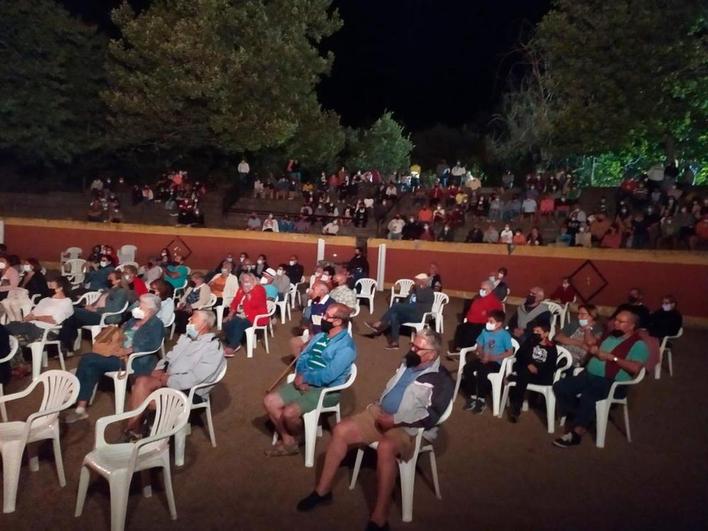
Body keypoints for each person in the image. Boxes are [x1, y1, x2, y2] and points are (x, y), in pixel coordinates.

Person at [296, 328, 453, 531]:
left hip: (408, 426)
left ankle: (380, 517)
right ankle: (322, 491)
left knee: (386, 448)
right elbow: (395, 388)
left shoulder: (442, 379)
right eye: (412, 344)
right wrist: (380, 407)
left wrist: (395, 419)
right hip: (379, 413)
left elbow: (432, 416)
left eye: (417, 347)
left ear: (432, 354)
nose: (411, 349)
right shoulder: (408, 360)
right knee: (340, 430)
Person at [264, 303, 356, 456]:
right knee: (269, 401)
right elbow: (303, 357)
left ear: (339, 322)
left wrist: (306, 378)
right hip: (304, 381)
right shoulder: (320, 336)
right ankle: (289, 441)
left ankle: (300, 435)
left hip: (325, 390)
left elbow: (329, 374)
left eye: (327, 316)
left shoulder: (346, 347)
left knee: (289, 414)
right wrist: (301, 375)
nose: (323, 318)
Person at [552, 310, 649, 448]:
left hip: (610, 381)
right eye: (616, 320)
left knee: (588, 397)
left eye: (621, 322)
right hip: (588, 375)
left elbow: (635, 368)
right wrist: (592, 344)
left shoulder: (638, 344)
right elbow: (592, 343)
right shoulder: (610, 336)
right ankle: (582, 415)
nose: (616, 323)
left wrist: (612, 358)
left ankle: (576, 433)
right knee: (560, 386)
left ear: (632, 326)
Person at [123, 310, 226, 439]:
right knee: (141, 382)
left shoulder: (213, 347)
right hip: (167, 378)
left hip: (190, 391)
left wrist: (169, 380)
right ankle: (135, 429)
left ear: (204, 324)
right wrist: (160, 369)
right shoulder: (187, 338)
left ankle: (140, 432)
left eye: (193, 318)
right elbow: (168, 357)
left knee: (147, 399)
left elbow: (197, 377)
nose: (189, 320)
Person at [65, 293, 165, 423]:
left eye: (141, 304)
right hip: (117, 352)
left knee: (88, 359)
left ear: (151, 309)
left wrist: (128, 350)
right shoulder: (134, 320)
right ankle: (80, 407)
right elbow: (121, 331)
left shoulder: (156, 324)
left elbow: (153, 345)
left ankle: (77, 399)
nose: (137, 306)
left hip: (134, 361)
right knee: (90, 364)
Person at [4, 276, 74, 375]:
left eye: (52, 283)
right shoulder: (45, 300)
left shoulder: (66, 302)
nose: (49, 285)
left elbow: (54, 320)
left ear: (60, 287)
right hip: (31, 326)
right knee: (8, 335)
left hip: (46, 331)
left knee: (11, 334)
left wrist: (36, 318)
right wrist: (28, 317)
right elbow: (33, 314)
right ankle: (20, 366)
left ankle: (20, 366)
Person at [461, 310, 514, 414]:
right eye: (488, 321)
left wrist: (493, 358)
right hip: (483, 359)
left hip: (495, 362)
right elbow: (479, 345)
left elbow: (509, 352)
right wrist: (481, 354)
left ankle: (481, 399)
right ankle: (472, 395)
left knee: (482, 371)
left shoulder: (505, 335)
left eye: (491, 321)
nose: (488, 323)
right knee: (467, 368)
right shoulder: (485, 331)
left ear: (498, 324)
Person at [364, 273, 434, 350]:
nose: (415, 282)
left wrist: (417, 288)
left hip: (418, 315)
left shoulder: (429, 291)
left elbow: (420, 298)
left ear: (423, 281)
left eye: (417, 280)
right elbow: (406, 302)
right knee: (394, 315)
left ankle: (379, 323)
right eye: (415, 280)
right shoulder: (414, 290)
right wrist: (408, 296)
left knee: (396, 305)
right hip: (409, 313)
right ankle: (395, 343)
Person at [507, 323, 558, 423]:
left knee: (522, 376)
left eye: (538, 332)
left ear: (546, 334)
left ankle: (514, 379)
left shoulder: (551, 347)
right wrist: (529, 364)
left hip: (542, 375)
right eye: (534, 331)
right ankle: (516, 409)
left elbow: (551, 365)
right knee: (524, 374)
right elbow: (519, 355)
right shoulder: (530, 341)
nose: (535, 334)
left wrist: (537, 368)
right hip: (527, 372)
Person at [222, 272, 268, 356]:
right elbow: (235, 302)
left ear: (253, 281)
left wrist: (248, 294)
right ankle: (236, 343)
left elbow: (255, 305)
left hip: (254, 316)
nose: (245, 283)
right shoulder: (240, 289)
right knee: (225, 322)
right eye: (243, 281)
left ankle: (232, 346)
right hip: (240, 314)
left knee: (239, 323)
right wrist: (230, 314)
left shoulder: (259, 289)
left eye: (248, 281)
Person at [452, 279, 503, 351]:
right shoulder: (478, 297)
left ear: (490, 290)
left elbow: (496, 316)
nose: (481, 290)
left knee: (471, 332)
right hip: (471, 321)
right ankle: (457, 349)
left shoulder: (494, 301)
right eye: (480, 288)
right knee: (460, 328)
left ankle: (464, 351)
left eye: (483, 289)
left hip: (482, 323)